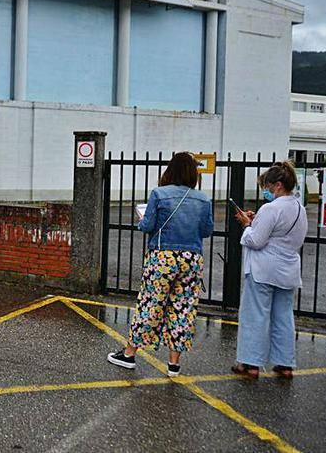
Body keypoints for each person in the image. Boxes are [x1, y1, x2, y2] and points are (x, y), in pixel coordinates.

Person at [107, 152, 213, 377]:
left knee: (150, 304)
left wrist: (142, 220)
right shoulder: (203, 199)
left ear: (170, 170)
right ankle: (174, 364)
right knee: (183, 308)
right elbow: (206, 231)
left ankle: (129, 354)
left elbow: (147, 226)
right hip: (192, 259)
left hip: (163, 257)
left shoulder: (159, 194)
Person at [231, 161, 307, 379]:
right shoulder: (299, 209)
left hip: (263, 270)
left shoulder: (270, 208)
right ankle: (285, 364)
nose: (265, 190)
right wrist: (257, 222)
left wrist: (247, 225)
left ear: (278, 185)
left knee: (255, 315)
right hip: (288, 270)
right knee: (283, 317)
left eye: (267, 186)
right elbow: (288, 237)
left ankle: (250, 362)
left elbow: (256, 240)